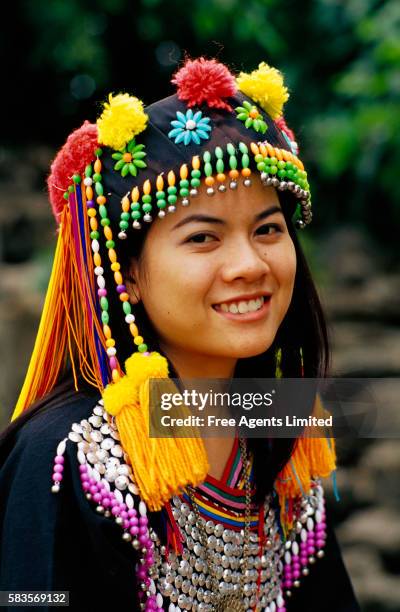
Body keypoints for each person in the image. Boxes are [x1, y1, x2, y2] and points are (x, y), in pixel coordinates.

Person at [0, 57, 361, 611]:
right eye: (202, 239)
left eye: (268, 229)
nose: (249, 264)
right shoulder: (68, 455)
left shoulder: (278, 427)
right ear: (129, 275)